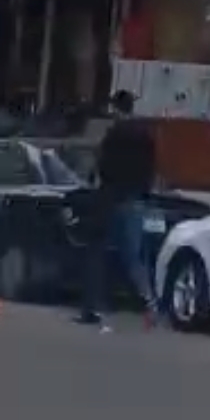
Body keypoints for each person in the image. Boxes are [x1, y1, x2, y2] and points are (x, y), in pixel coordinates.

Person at [77, 91, 159, 330]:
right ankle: (150, 303)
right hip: (135, 200)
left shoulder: (114, 134)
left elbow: (104, 166)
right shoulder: (145, 135)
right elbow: (150, 167)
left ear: (116, 109)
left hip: (112, 199)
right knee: (133, 256)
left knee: (96, 251)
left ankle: (92, 308)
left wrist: (99, 181)